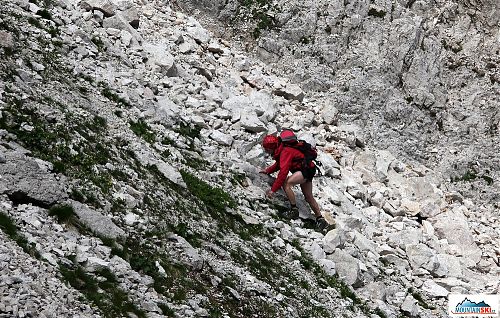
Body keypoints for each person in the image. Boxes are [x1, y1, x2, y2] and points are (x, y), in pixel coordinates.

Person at [259, 130, 331, 231]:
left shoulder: (285, 151)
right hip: (309, 169)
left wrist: (273, 190)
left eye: (267, 149)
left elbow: (283, 172)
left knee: (286, 183)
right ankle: (320, 219)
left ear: (272, 147)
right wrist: (267, 171)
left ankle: (294, 210)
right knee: (309, 197)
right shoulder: (283, 149)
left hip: (304, 170)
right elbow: (278, 165)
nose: (267, 152)